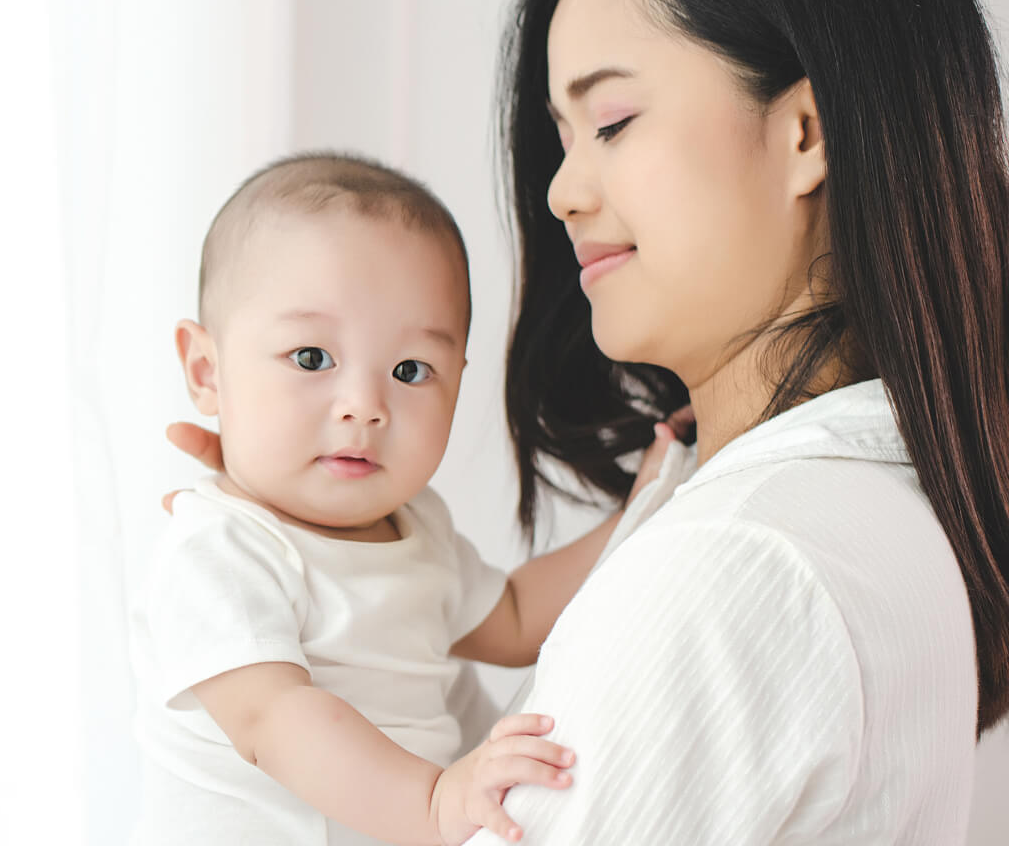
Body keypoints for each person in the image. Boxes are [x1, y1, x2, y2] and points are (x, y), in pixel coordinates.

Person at [168, 0, 1009, 842]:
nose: (562, 192)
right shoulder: (871, 508)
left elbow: (510, 615)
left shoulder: (741, 560)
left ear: (805, 132)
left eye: (610, 122)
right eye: (562, 142)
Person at [131, 152, 676, 846]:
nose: (364, 405)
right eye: (311, 358)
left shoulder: (418, 530)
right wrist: (434, 801)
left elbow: (513, 619)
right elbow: (272, 720)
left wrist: (641, 509)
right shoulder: (219, 551)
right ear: (208, 372)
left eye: (411, 370)